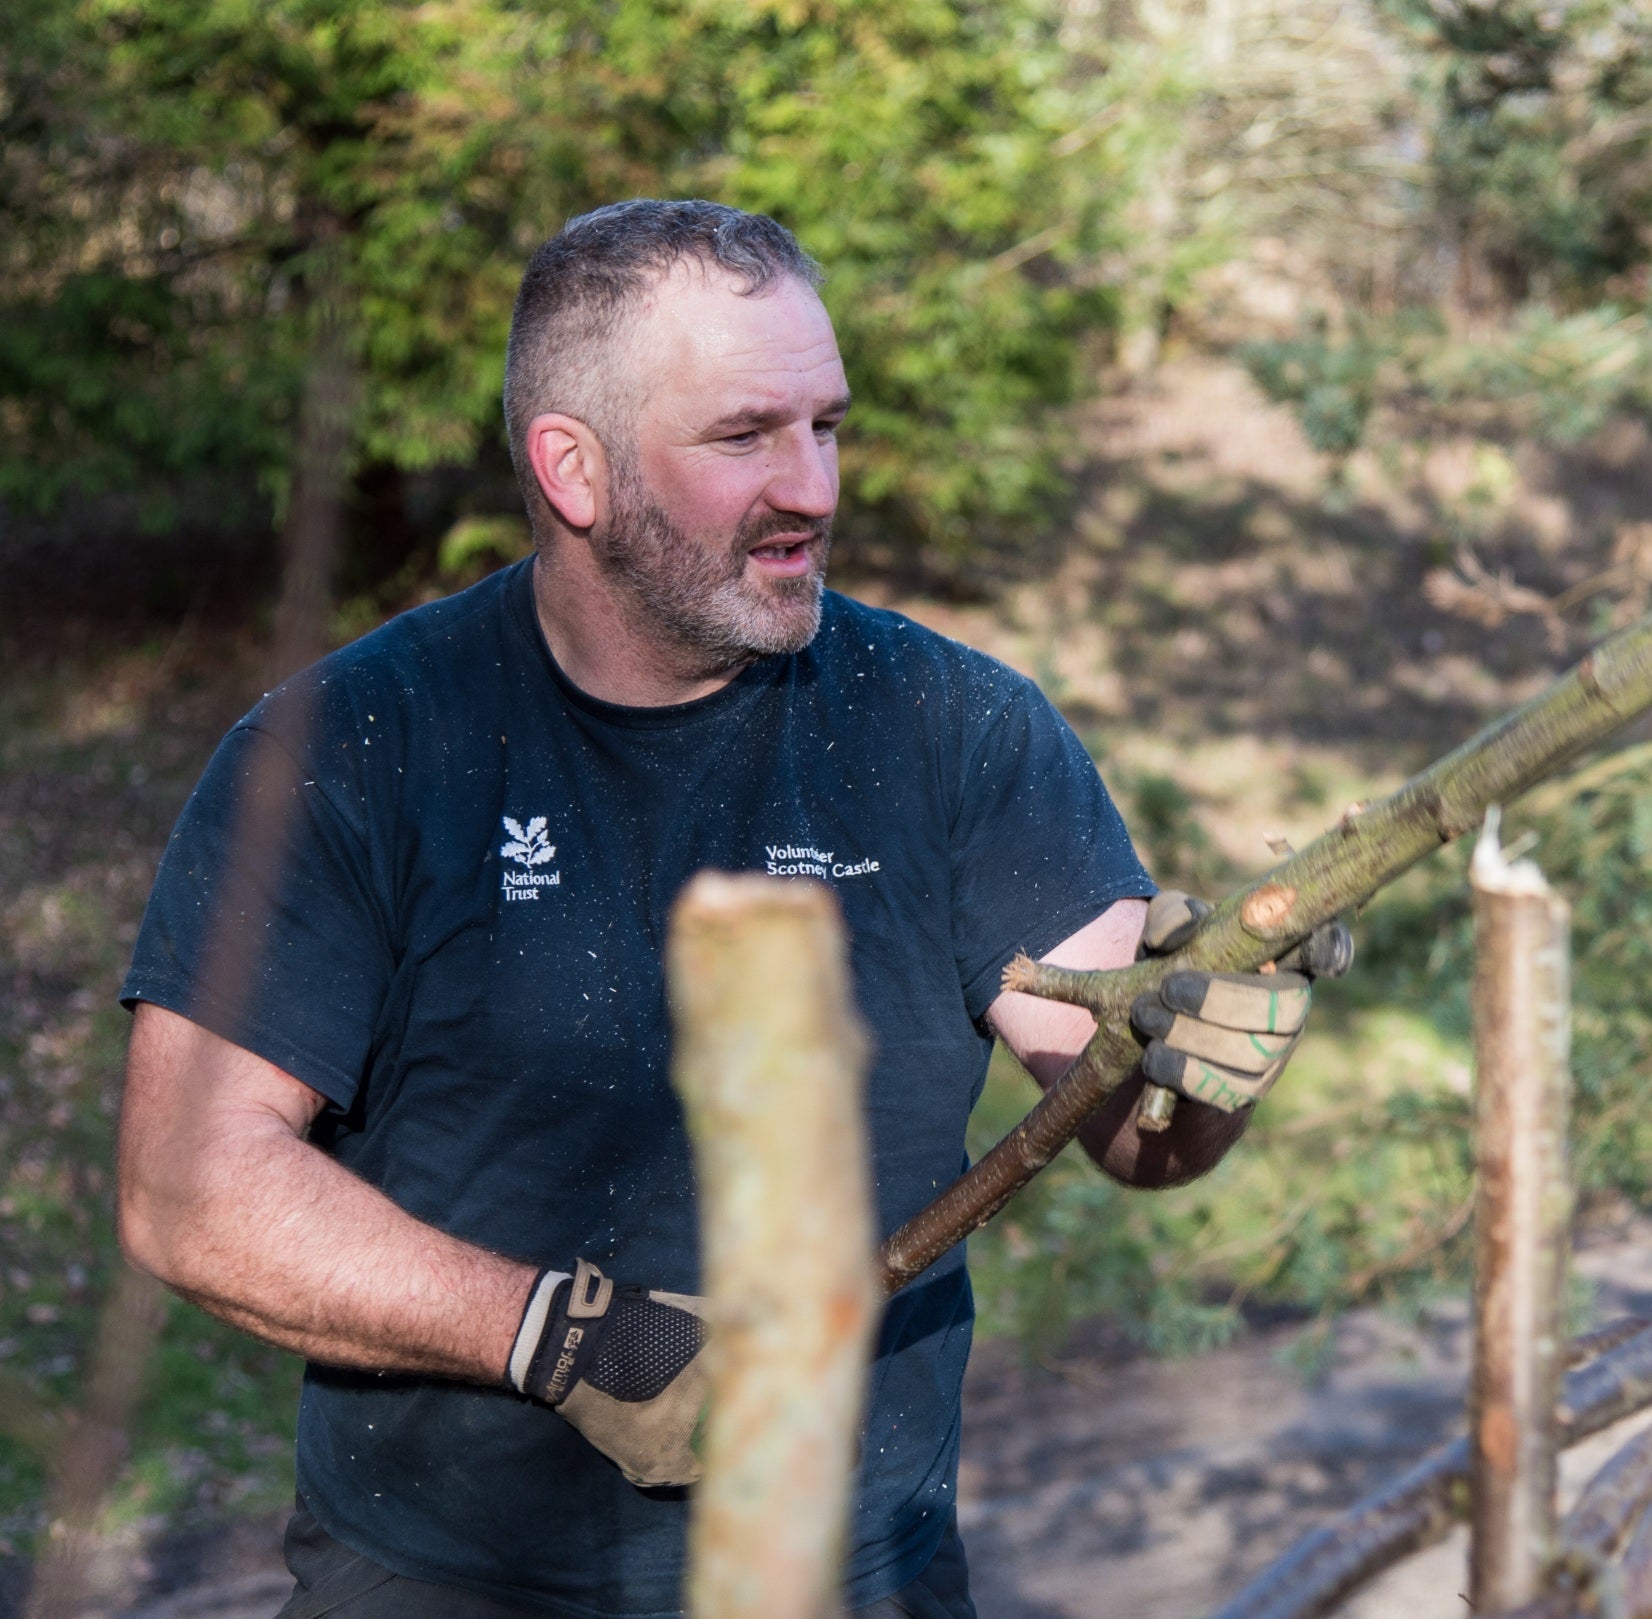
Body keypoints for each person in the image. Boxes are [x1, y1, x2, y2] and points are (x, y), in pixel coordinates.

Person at [112, 200, 1337, 1619]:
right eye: (745, 437)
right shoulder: (358, 750)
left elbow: (1139, 1133)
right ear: (572, 468)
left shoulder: (949, 729)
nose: (812, 487)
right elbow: (190, 1187)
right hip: (445, 1587)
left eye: (827, 427)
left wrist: (1215, 1046)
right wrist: (559, 1340)